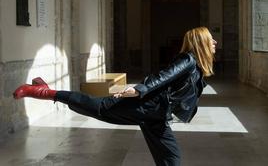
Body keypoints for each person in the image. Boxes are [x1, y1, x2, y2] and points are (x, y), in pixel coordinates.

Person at [13, 27, 217, 166]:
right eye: (211, 39)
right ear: (201, 42)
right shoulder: (188, 59)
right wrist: (138, 90)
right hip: (148, 107)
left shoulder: (196, 65)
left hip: (157, 116)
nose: (215, 42)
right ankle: (44, 92)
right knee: (99, 108)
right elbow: (163, 76)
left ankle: (46, 90)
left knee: (170, 157)